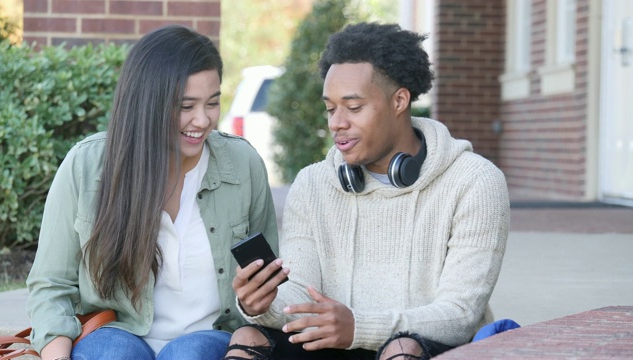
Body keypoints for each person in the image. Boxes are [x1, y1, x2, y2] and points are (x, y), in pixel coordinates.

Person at [223, 22, 510, 360]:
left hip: (418, 348)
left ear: (399, 100)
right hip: (331, 346)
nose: (336, 123)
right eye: (331, 108)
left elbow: (460, 314)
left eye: (353, 107)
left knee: (403, 348)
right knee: (248, 336)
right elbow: (300, 291)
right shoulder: (313, 183)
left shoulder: (474, 182)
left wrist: (359, 328)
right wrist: (264, 303)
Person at [26, 24, 279, 360]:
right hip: (116, 333)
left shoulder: (243, 164)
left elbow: (268, 292)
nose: (202, 120)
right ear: (147, 104)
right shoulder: (85, 165)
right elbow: (51, 285)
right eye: (185, 106)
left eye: (213, 103)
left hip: (208, 338)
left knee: (189, 354)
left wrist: (254, 304)